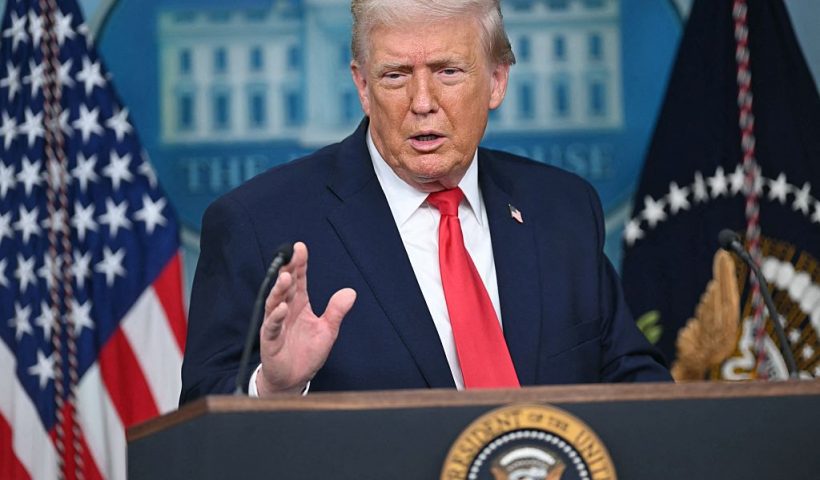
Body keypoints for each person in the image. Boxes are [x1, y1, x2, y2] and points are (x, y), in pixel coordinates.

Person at [180, 0, 671, 403]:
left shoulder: (561, 208)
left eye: (448, 71)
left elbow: (631, 380)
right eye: (395, 75)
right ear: (363, 85)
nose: (422, 101)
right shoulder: (258, 224)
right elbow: (200, 423)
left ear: (497, 81)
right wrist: (274, 387)